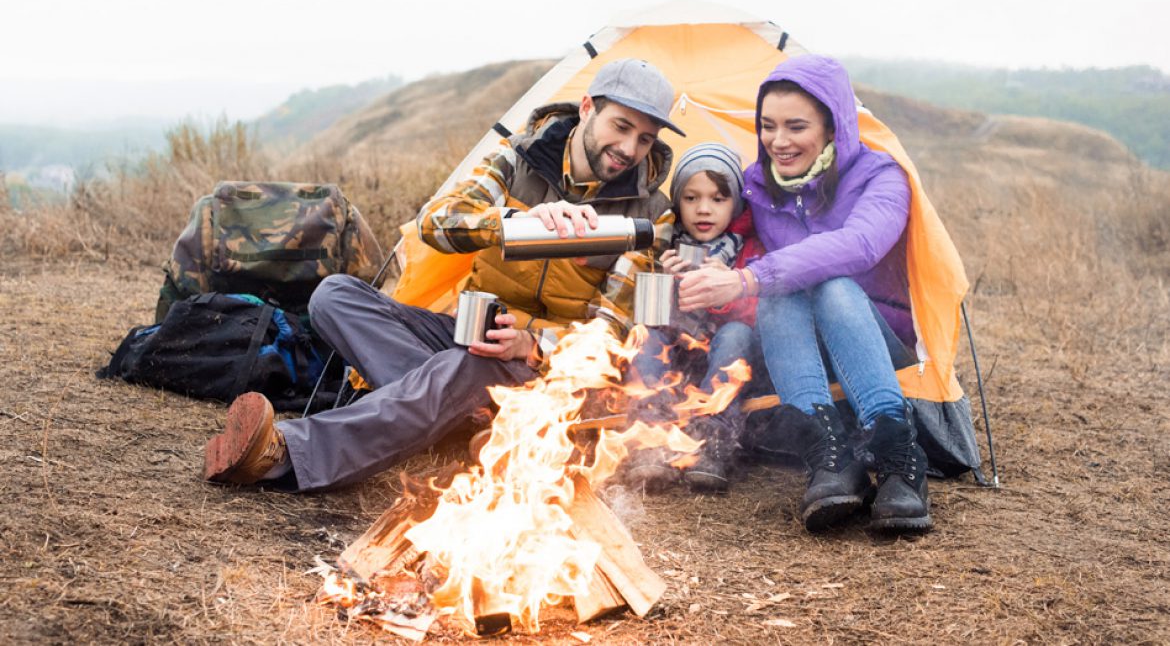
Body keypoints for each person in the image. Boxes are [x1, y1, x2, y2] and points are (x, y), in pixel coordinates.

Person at [201, 58, 683, 492]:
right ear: (586, 108)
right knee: (334, 296)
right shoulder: (516, 161)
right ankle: (467, 424)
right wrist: (515, 223)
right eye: (621, 126)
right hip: (466, 332)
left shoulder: (649, 215)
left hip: (539, 369)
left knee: (471, 363)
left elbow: (611, 332)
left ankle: (286, 453)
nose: (629, 148)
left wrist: (532, 345)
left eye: (644, 139)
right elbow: (437, 222)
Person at [677, 54, 931, 533]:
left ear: (833, 126)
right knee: (778, 294)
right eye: (768, 126)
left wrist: (750, 277)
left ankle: (900, 458)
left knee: (830, 287)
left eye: (796, 126)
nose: (778, 141)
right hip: (799, 359)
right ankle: (828, 455)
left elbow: (857, 246)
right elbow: (703, 215)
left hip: (879, 350)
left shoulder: (881, 177)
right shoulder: (758, 186)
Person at [622, 143, 764, 494]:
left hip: (725, 364)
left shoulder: (749, 249)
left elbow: (756, 317)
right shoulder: (663, 242)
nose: (704, 209)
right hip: (676, 362)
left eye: (718, 199)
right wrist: (666, 282)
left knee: (735, 333)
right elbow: (642, 314)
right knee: (647, 335)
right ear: (678, 202)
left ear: (736, 204)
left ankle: (713, 442)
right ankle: (651, 441)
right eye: (691, 198)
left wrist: (726, 287)